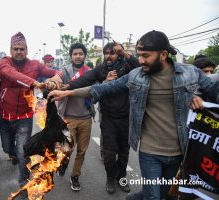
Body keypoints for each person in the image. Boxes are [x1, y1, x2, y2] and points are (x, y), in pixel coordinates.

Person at [48, 30, 219, 200]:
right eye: (139, 55)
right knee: (153, 196)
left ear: (163, 54)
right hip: (149, 151)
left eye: (146, 56)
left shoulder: (190, 73)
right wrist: (68, 93)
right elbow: (101, 88)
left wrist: (197, 96)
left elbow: (214, 91)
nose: (141, 60)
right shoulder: (137, 75)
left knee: (161, 193)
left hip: (177, 151)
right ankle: (115, 180)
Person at [55, 41, 139, 194]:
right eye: (106, 53)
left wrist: (125, 53)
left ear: (118, 54)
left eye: (112, 53)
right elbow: (84, 80)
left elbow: (140, 67)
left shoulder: (127, 67)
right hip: (107, 118)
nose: (108, 56)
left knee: (124, 152)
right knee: (109, 152)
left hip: (126, 118)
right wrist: (68, 87)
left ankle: (121, 177)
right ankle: (110, 178)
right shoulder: (100, 70)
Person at [0, 32, 62, 199]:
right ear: (10, 49)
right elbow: (10, 74)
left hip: (24, 116)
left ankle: (23, 184)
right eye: (16, 49)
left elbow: (56, 72)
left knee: (22, 152)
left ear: (27, 49)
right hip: (5, 115)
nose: (19, 52)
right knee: (7, 148)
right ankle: (10, 153)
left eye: (22, 49)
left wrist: (55, 77)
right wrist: (34, 83)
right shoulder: (5, 62)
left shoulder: (35, 64)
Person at [54, 43, 95, 191]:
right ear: (71, 55)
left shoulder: (91, 72)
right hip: (68, 119)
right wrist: (54, 80)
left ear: (84, 55)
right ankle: (64, 163)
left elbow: (95, 90)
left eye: (81, 53)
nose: (78, 56)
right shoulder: (64, 71)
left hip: (86, 119)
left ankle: (75, 176)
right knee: (67, 150)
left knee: (82, 151)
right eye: (75, 54)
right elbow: (57, 77)